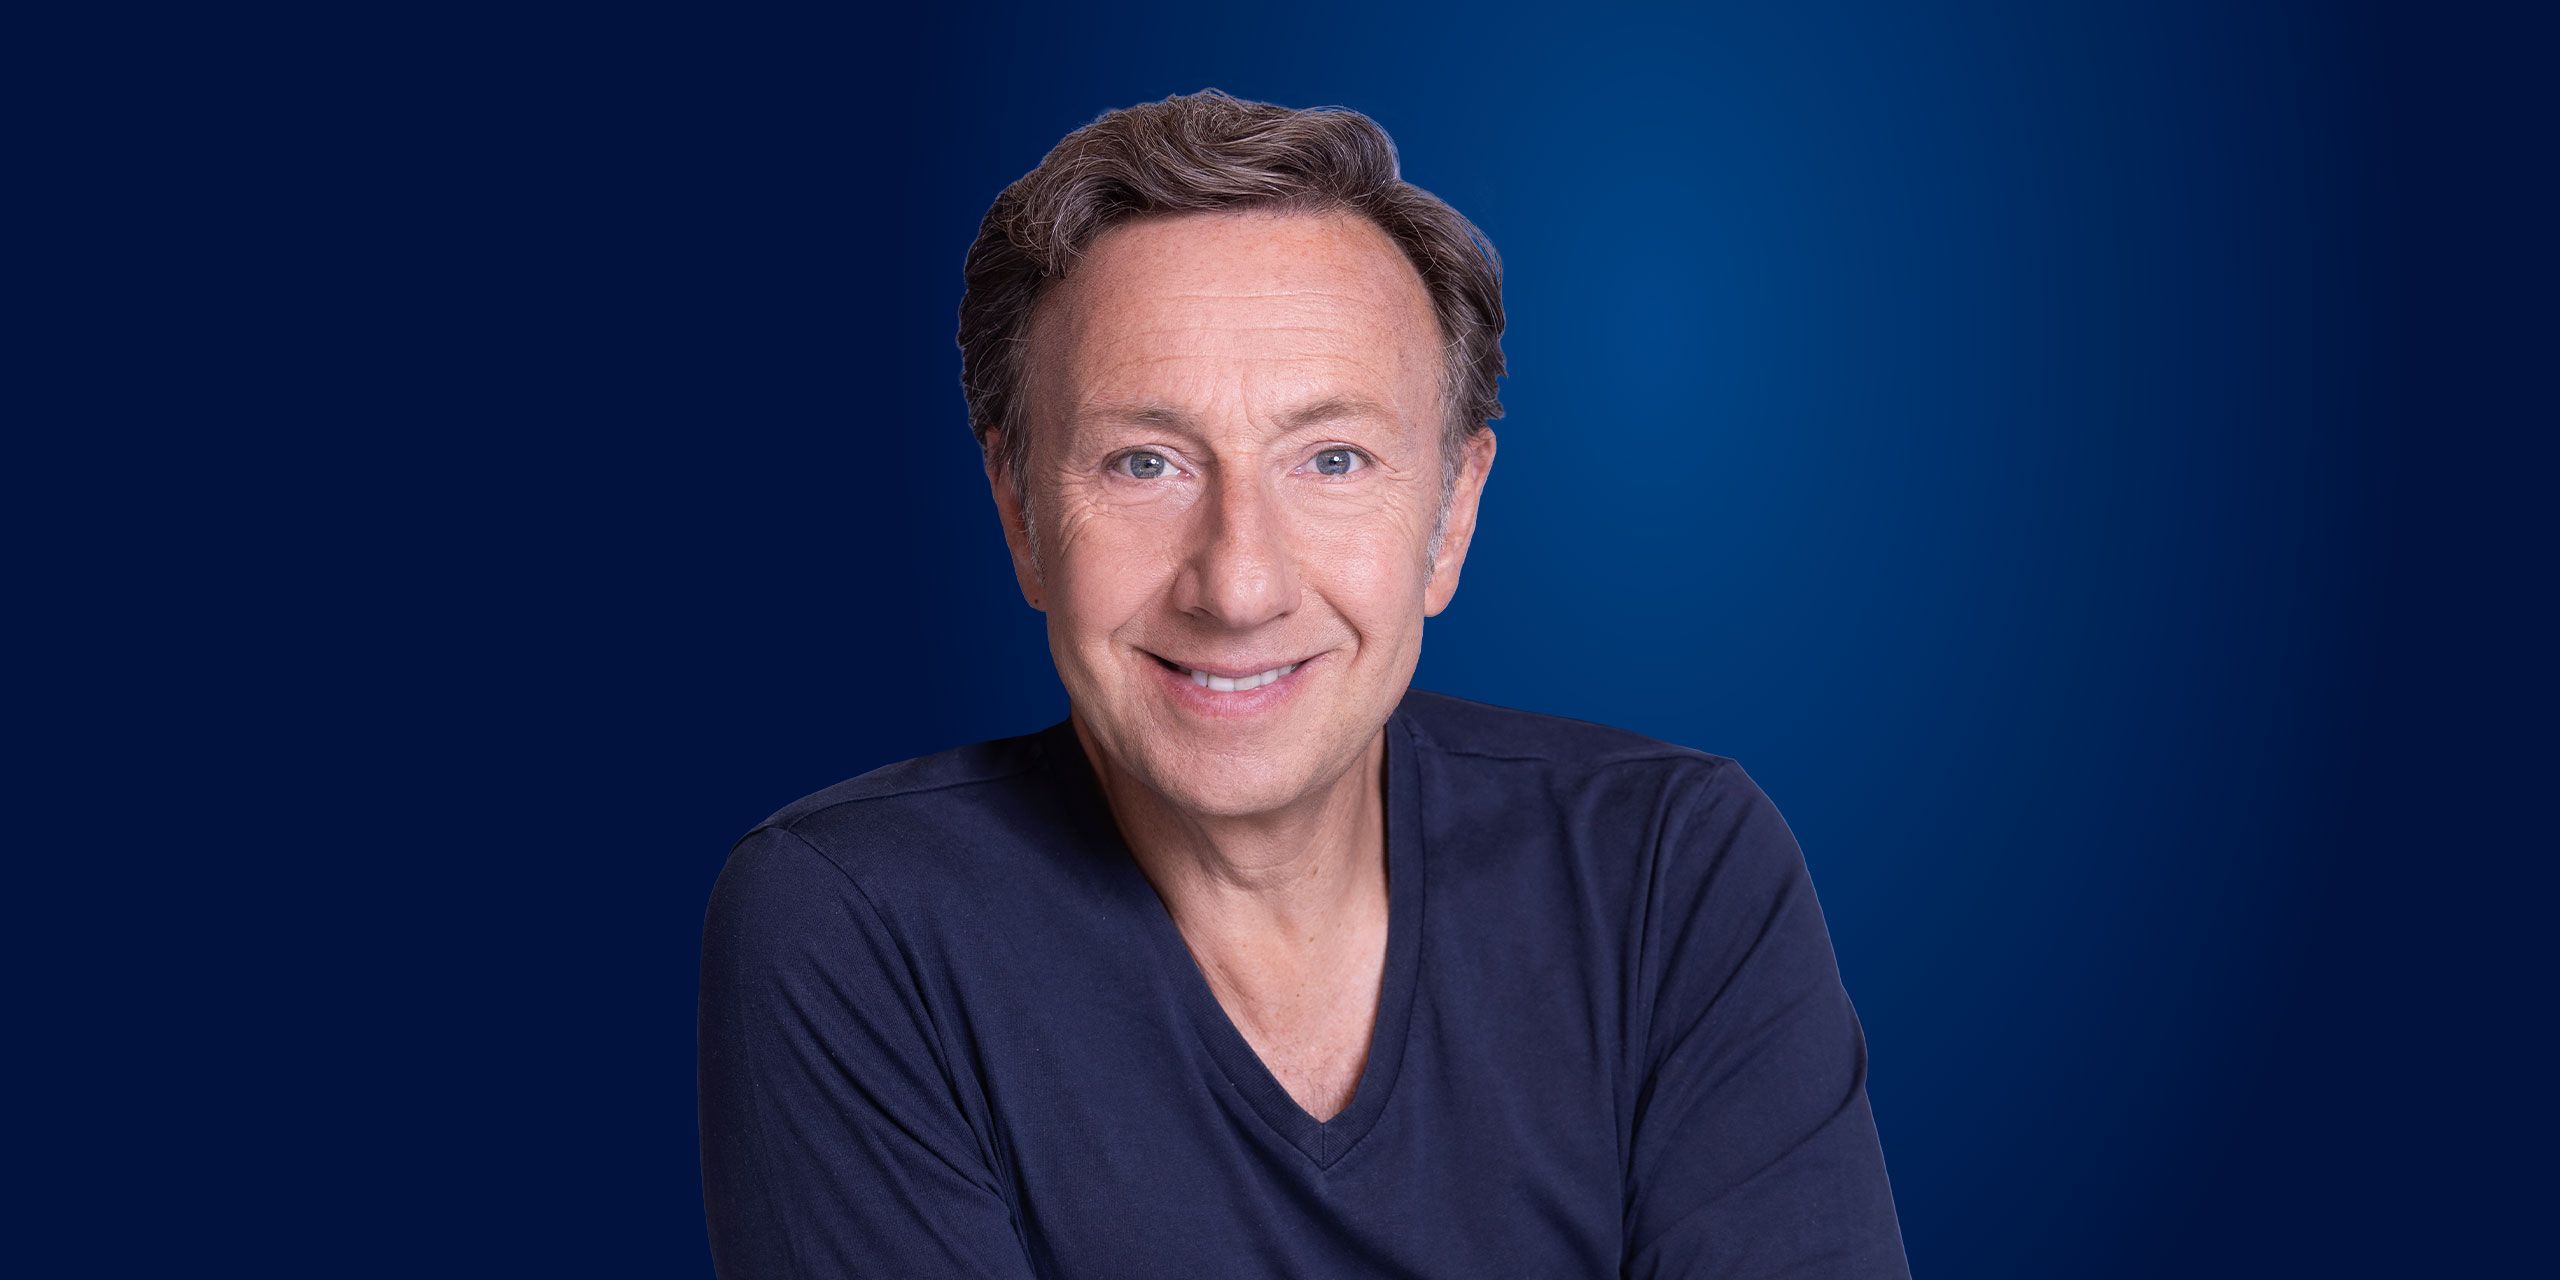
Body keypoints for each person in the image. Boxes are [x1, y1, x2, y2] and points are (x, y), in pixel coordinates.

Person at [698, 88, 1909, 1278]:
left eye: (1332, 459)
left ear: (1451, 514)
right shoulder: (859, 922)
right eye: (1144, 462)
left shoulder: (1665, 869)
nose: (1237, 584)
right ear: (1019, 510)